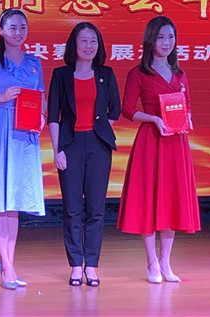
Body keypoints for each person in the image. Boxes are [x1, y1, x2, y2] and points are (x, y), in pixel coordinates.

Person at [116, 16, 201, 283]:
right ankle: (152, 262)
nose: (166, 42)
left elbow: (187, 106)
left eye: (171, 37)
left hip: (176, 143)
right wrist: (154, 119)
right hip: (151, 142)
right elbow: (127, 110)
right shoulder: (138, 74)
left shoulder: (180, 74)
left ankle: (166, 262)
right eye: (161, 37)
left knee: (172, 199)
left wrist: (187, 119)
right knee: (150, 200)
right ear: (150, 40)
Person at [0, 8, 46, 290]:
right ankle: (7, 266)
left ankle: (9, 262)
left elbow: (40, 96)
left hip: (26, 132)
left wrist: (41, 116)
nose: (18, 32)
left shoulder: (34, 62)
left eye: (22, 27)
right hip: (1, 128)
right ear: (1, 30)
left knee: (13, 199)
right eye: (13, 27)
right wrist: (1, 97)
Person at [47, 22, 120, 288]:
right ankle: (76, 264)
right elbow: (53, 115)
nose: (89, 46)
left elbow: (115, 109)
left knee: (96, 209)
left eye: (93, 41)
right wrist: (57, 150)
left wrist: (100, 129)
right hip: (70, 145)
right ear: (74, 45)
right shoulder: (61, 74)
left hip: (99, 145)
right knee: (72, 209)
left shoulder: (106, 74)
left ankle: (92, 265)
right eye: (84, 41)